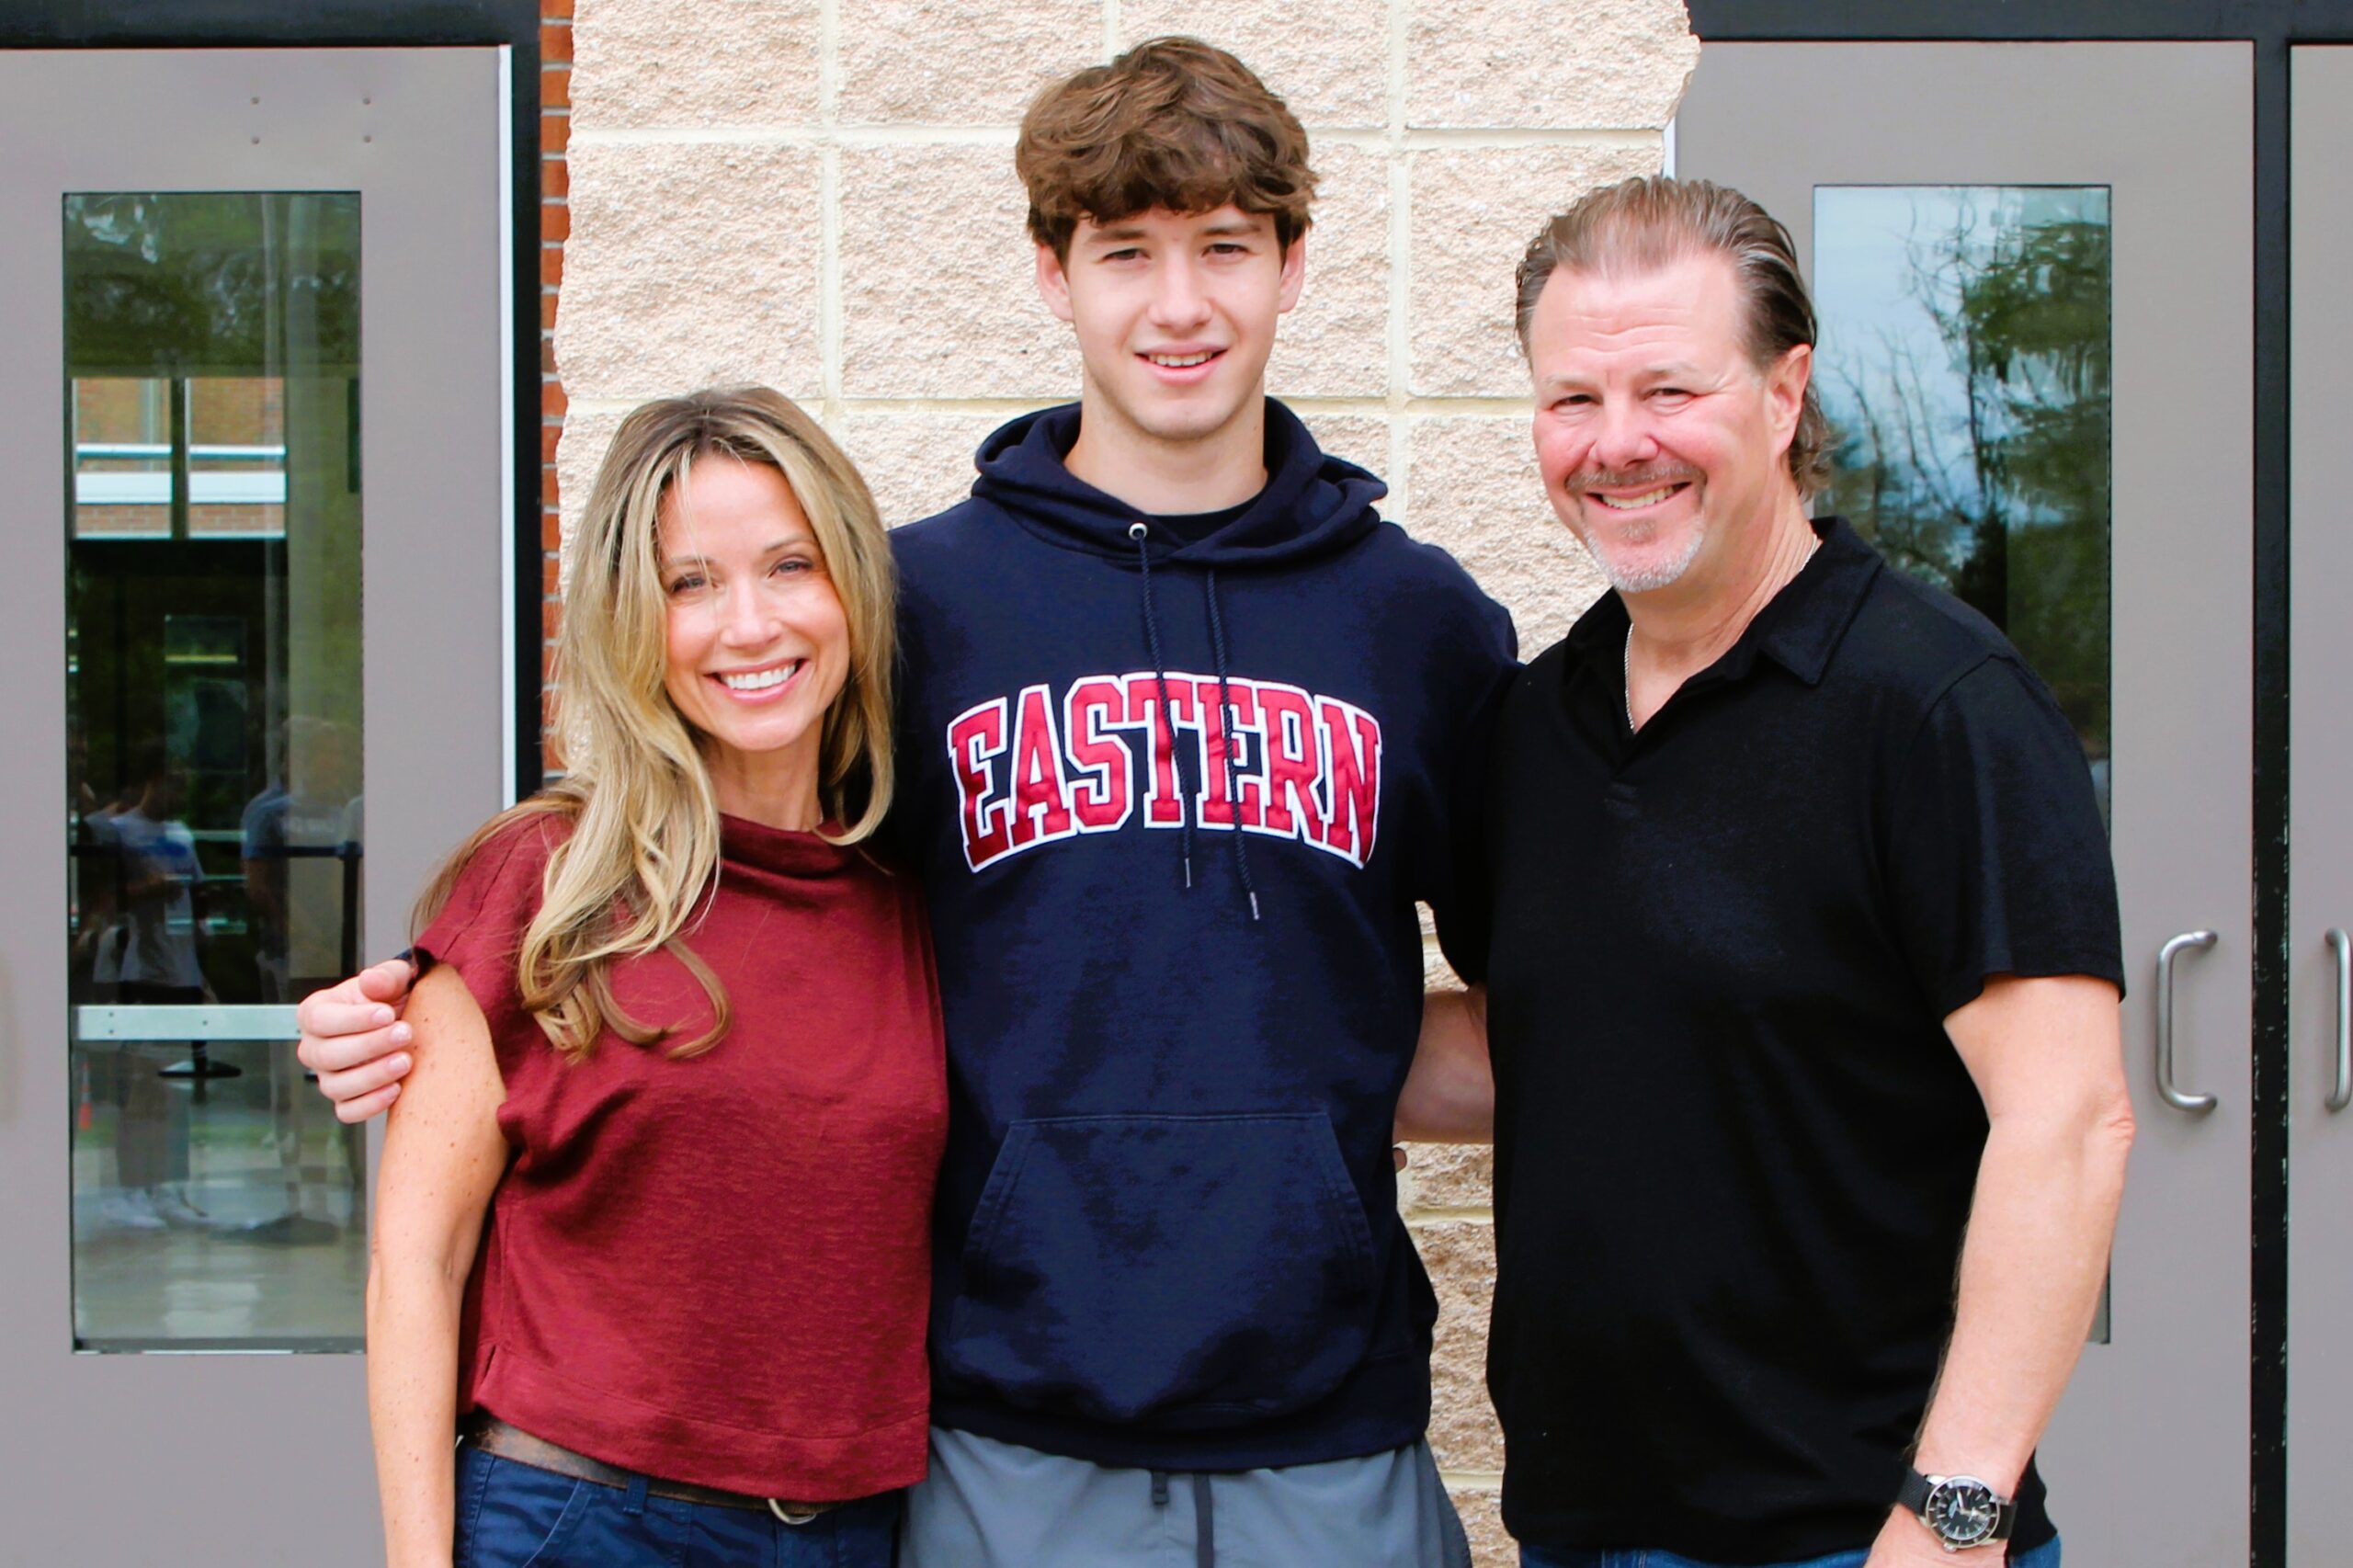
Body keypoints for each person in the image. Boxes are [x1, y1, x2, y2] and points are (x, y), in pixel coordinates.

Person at [308, 38, 1510, 1568]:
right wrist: (448, 982)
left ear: (1291, 264)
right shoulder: (925, 606)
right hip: (1000, 1420)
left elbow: (1537, 991)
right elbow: (738, 851)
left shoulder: (1422, 624)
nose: (1181, 305)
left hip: (1329, 1417)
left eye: (1225, 248)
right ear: (1050, 275)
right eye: (1127, 253)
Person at [1406, 176, 2132, 1567]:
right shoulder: (1530, 729)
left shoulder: (1933, 704)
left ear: (1784, 393)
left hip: (1859, 1536)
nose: (1618, 446)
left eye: (1670, 390)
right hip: (1583, 1529)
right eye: (1573, 401)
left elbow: (2070, 1121)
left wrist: (1957, 1511)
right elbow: (1553, 1046)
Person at [365, 386, 943, 1568]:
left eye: (791, 565)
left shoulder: (913, 891)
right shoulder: (544, 879)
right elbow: (416, 1260)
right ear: (635, 618)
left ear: (852, 588)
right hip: (586, 1520)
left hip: (859, 1533)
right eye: (692, 583)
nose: (748, 624)